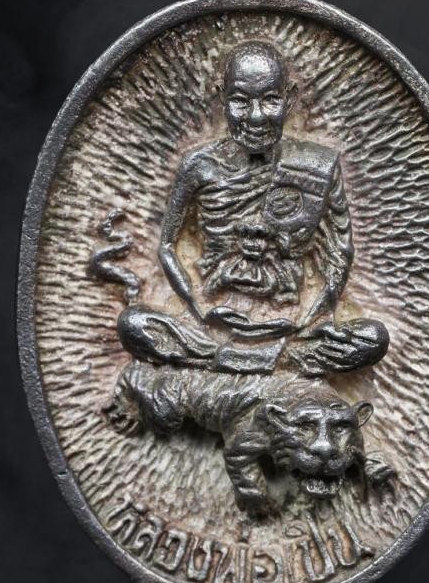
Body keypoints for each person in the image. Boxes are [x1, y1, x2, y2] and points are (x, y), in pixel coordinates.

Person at [118, 41, 388, 377]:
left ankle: (251, 358)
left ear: (289, 99)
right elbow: (168, 247)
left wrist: (314, 316)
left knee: (372, 338)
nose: (256, 117)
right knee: (133, 325)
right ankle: (259, 360)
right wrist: (199, 308)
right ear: (222, 99)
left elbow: (340, 251)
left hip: (291, 321)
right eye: (240, 101)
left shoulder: (317, 165)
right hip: (210, 320)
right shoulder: (199, 166)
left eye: (270, 100)